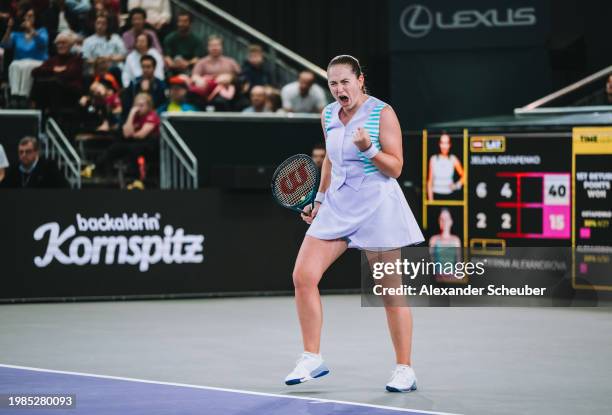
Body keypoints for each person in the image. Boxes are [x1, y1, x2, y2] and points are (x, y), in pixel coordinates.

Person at [284, 55, 424, 392]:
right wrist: (318, 200)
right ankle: (312, 356)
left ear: (360, 80)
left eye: (345, 81)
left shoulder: (382, 113)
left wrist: (370, 148)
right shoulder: (328, 114)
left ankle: (405, 369)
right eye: (333, 83)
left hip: (376, 206)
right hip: (337, 205)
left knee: (390, 293)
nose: (338, 89)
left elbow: (395, 168)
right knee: (303, 276)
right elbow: (330, 161)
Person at [82, 93, 160, 180]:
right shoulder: (135, 116)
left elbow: (141, 135)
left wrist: (131, 133)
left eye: (141, 105)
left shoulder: (152, 116)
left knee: (132, 149)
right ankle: (97, 169)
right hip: (135, 143)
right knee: (115, 147)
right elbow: (126, 134)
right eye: (136, 105)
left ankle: (136, 180)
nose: (138, 108)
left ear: (149, 106)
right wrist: (131, 114)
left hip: (151, 146)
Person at [0, 7, 48, 105]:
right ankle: (15, 95)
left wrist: (31, 29)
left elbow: (43, 43)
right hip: (20, 61)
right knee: (14, 65)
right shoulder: (17, 34)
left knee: (26, 65)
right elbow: (5, 45)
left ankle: (24, 96)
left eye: (31, 16)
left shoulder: (42, 31)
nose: (28, 18)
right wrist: (9, 29)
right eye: (26, 16)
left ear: (36, 18)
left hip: (38, 61)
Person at [30, 30, 83, 112]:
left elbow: (69, 74)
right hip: (51, 92)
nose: (60, 46)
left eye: (64, 43)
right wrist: (53, 69)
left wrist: (52, 73)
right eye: (58, 43)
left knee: (53, 82)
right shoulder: (53, 60)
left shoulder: (76, 59)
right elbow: (34, 72)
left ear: (71, 45)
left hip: (70, 93)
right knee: (40, 82)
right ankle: (36, 113)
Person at [3, 136, 68, 188]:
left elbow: (64, 187)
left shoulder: (48, 167)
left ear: (36, 152)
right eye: (21, 152)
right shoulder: (14, 169)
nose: (24, 155)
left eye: (28, 151)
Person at [426, 133, 465, 200]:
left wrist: (456, 185)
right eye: (442, 143)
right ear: (439, 144)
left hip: (450, 196)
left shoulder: (453, 159)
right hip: (436, 195)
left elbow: (464, 176)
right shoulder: (433, 159)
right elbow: (430, 180)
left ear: (450, 145)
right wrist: (430, 200)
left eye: (446, 143)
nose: (444, 146)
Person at [428, 208, 462, 282]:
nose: (444, 222)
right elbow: (430, 263)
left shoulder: (456, 240)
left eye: (446, 219)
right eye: (441, 219)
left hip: (452, 280)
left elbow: (459, 263)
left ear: (451, 221)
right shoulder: (433, 240)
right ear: (439, 221)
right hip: (437, 280)